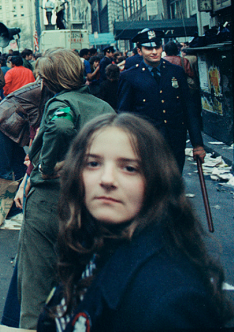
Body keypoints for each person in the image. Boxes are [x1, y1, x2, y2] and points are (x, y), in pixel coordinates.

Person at [38, 113, 232, 331]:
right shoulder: (91, 243)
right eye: (93, 163)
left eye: (129, 168)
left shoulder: (169, 299)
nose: (107, 179)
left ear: (155, 181)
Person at [15, 49, 115, 329]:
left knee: (35, 283)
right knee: (80, 280)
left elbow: (60, 127)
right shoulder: (103, 107)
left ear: (52, 79)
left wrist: (46, 164)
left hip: (50, 199)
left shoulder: (60, 103)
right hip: (88, 201)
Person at [117, 29, 204, 172]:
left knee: (174, 184)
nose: (154, 51)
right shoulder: (130, 76)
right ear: (140, 51)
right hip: (146, 143)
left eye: (157, 47)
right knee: (152, 188)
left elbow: (189, 109)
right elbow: (124, 116)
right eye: (148, 48)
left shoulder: (175, 72)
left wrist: (198, 144)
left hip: (175, 141)